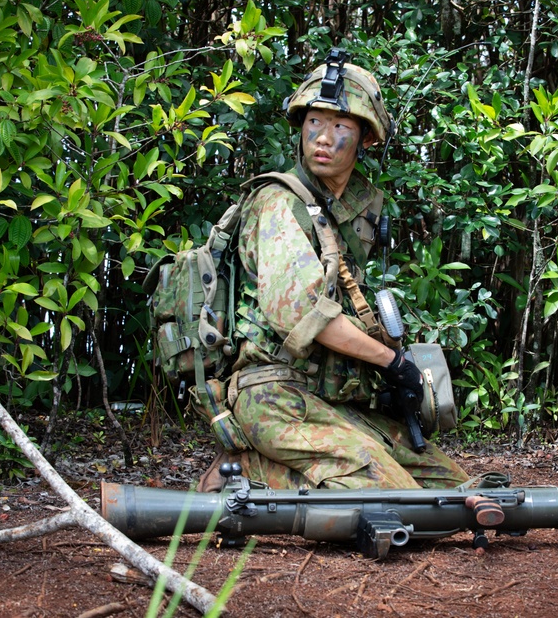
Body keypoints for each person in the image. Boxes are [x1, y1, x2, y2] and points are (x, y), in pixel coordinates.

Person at [197, 51, 469, 491]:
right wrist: (391, 361)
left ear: (366, 139)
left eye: (340, 126)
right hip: (273, 397)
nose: (323, 138)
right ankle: (247, 471)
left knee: (454, 488)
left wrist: (389, 370)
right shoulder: (279, 202)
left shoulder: (348, 214)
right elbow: (302, 315)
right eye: (314, 123)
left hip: (330, 401)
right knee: (395, 497)